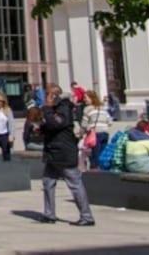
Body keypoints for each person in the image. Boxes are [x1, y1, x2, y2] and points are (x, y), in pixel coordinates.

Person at [39, 85, 94, 226]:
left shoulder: (64, 108)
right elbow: (51, 126)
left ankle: (86, 216)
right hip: (53, 152)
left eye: (48, 95)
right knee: (48, 182)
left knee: (74, 183)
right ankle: (49, 214)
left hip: (63, 152)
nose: (45, 97)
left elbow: (57, 124)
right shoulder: (54, 109)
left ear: (54, 95)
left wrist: (47, 109)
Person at [80, 90, 111, 169]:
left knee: (95, 154)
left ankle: (94, 171)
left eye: (86, 98)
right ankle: (103, 169)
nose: (84, 99)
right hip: (105, 133)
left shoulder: (87, 109)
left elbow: (84, 124)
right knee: (102, 153)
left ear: (91, 98)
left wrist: (81, 134)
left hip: (95, 134)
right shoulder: (102, 108)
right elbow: (110, 122)